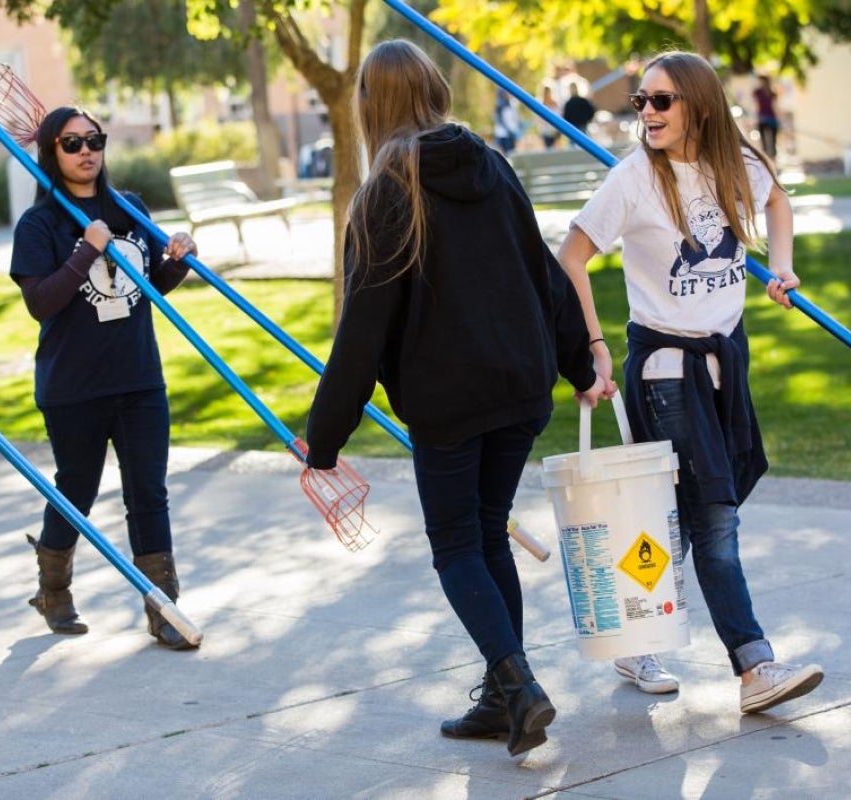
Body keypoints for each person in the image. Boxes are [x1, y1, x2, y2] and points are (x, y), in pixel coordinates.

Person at [302, 40, 607, 757]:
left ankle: (520, 685)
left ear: (371, 106)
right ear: (435, 90)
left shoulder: (388, 189)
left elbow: (362, 329)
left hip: (452, 399)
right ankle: (504, 697)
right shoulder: (490, 165)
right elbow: (545, 276)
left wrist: (323, 440)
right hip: (521, 386)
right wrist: (576, 362)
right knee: (488, 526)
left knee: (457, 544)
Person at [556, 51, 824, 714]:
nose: (646, 112)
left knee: (689, 510)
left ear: (698, 105)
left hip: (725, 355)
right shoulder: (634, 180)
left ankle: (630, 631)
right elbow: (572, 255)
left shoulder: (741, 164)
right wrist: (592, 346)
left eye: (661, 101)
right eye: (640, 102)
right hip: (665, 368)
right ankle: (754, 665)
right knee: (714, 516)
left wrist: (781, 269)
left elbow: (779, 200)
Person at [9, 106, 199, 651]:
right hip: (74, 385)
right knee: (76, 489)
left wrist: (178, 259)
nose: (87, 150)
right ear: (52, 152)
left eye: (95, 139)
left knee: (149, 494)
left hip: (139, 378)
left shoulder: (129, 208)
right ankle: (53, 589)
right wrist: (85, 250)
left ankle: (164, 610)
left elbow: (149, 284)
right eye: (72, 143)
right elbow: (41, 304)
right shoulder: (41, 224)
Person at [752, 75, 780, 162]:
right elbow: (775, 107)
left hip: (764, 119)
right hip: (770, 118)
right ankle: (772, 161)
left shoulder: (758, 92)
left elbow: (756, 106)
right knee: (772, 142)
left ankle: (768, 162)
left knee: (765, 142)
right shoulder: (771, 92)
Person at [492, 87, 522, 155]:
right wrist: (508, 130)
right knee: (506, 154)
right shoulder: (499, 106)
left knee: (512, 152)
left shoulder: (512, 105)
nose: (508, 95)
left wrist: (517, 128)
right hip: (503, 135)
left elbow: (515, 118)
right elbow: (499, 120)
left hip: (512, 133)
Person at [536, 82, 562, 150]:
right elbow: (538, 121)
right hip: (545, 133)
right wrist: (543, 131)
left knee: (557, 150)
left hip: (556, 132)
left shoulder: (556, 104)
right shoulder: (540, 105)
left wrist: (557, 130)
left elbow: (559, 117)